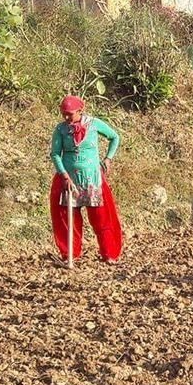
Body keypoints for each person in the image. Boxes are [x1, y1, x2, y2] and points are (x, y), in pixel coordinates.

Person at [51, 95, 124, 266]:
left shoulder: (94, 124)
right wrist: (64, 175)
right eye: (64, 114)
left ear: (80, 111)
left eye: (70, 114)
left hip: (92, 179)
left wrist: (108, 159)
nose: (66, 117)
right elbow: (55, 154)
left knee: (102, 217)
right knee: (67, 219)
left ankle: (109, 253)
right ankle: (70, 254)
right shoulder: (61, 129)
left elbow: (114, 137)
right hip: (69, 179)